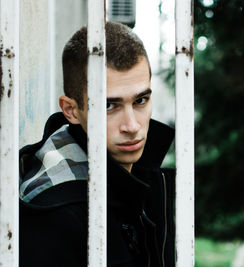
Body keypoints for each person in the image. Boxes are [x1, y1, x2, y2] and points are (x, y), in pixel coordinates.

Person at [19, 21, 175, 267]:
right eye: (108, 106)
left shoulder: (138, 171)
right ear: (71, 110)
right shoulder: (57, 213)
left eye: (141, 100)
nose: (132, 126)